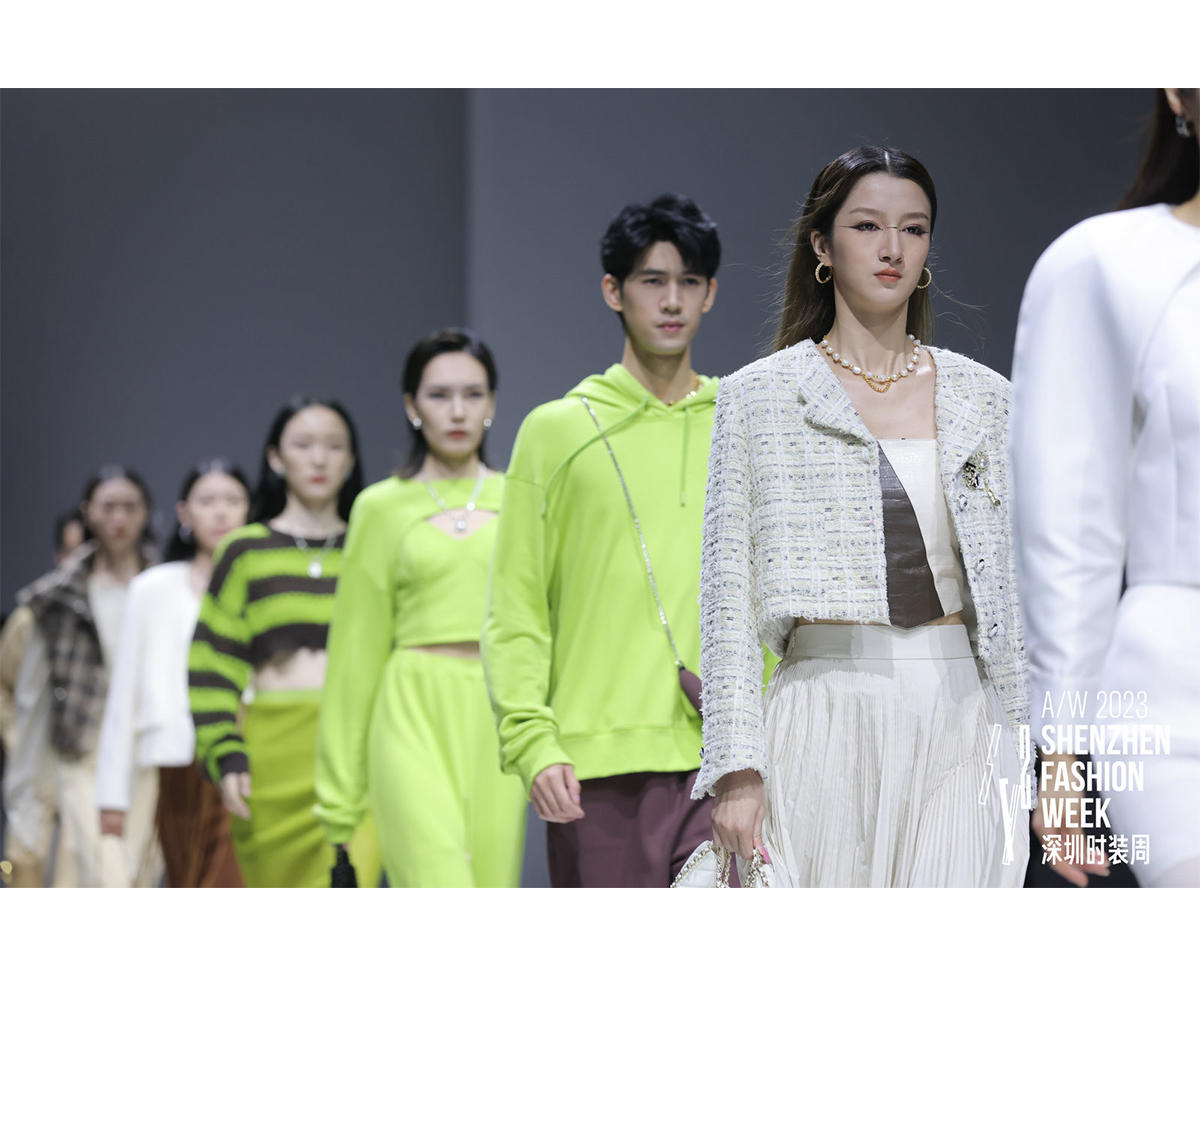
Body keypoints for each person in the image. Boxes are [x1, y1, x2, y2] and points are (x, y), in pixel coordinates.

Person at [696, 146, 1032, 888]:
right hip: (821, 714)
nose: (892, 249)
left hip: (962, 715)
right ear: (822, 245)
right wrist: (736, 770)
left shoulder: (986, 398)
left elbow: (1020, 596)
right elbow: (726, 598)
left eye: (914, 229)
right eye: (868, 226)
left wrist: (1041, 752)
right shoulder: (759, 398)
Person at [483, 193, 727, 887]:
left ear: (711, 294)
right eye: (652, 280)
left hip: (724, 762)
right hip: (594, 766)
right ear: (613, 291)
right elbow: (517, 604)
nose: (672, 300)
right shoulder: (556, 431)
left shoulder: (738, 423)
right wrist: (532, 741)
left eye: (689, 281)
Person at [1011, 88, 1200, 888]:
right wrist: (1060, 753)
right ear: (1179, 92)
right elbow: (1069, 523)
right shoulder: (1110, 264)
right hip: (1178, 700)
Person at [316, 329, 526, 887]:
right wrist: (338, 797)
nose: (457, 411)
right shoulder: (381, 507)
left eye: (473, 394)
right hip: (409, 708)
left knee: (491, 886)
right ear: (412, 406)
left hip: (498, 711)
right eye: (438, 395)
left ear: (492, 402)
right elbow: (355, 650)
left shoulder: (523, 497)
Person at [189, 398, 382, 888]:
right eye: (303, 445)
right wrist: (223, 750)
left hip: (359, 748)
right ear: (276, 457)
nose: (319, 459)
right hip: (272, 754)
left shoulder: (373, 545)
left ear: (351, 459)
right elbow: (213, 660)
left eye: (334, 446)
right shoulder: (245, 550)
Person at [95, 458, 251, 887]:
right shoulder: (152, 589)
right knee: (186, 879)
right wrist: (112, 795)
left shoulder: (261, 582)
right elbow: (124, 692)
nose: (221, 512)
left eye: (233, 500)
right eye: (207, 501)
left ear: (249, 509)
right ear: (184, 513)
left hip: (246, 756)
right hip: (176, 761)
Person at [2, 467, 161, 887]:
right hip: (83, 752)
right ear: (88, 511)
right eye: (108, 507)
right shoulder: (55, 598)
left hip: (149, 755)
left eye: (130, 507)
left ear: (146, 512)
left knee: (140, 876)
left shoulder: (165, 589)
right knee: (105, 876)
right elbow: (30, 699)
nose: (119, 518)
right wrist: (26, 785)